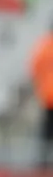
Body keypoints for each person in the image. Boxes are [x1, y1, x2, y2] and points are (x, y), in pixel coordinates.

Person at [31, 23, 53, 168]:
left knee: (46, 133)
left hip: (47, 97)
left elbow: (34, 68)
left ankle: (41, 165)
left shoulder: (44, 46)